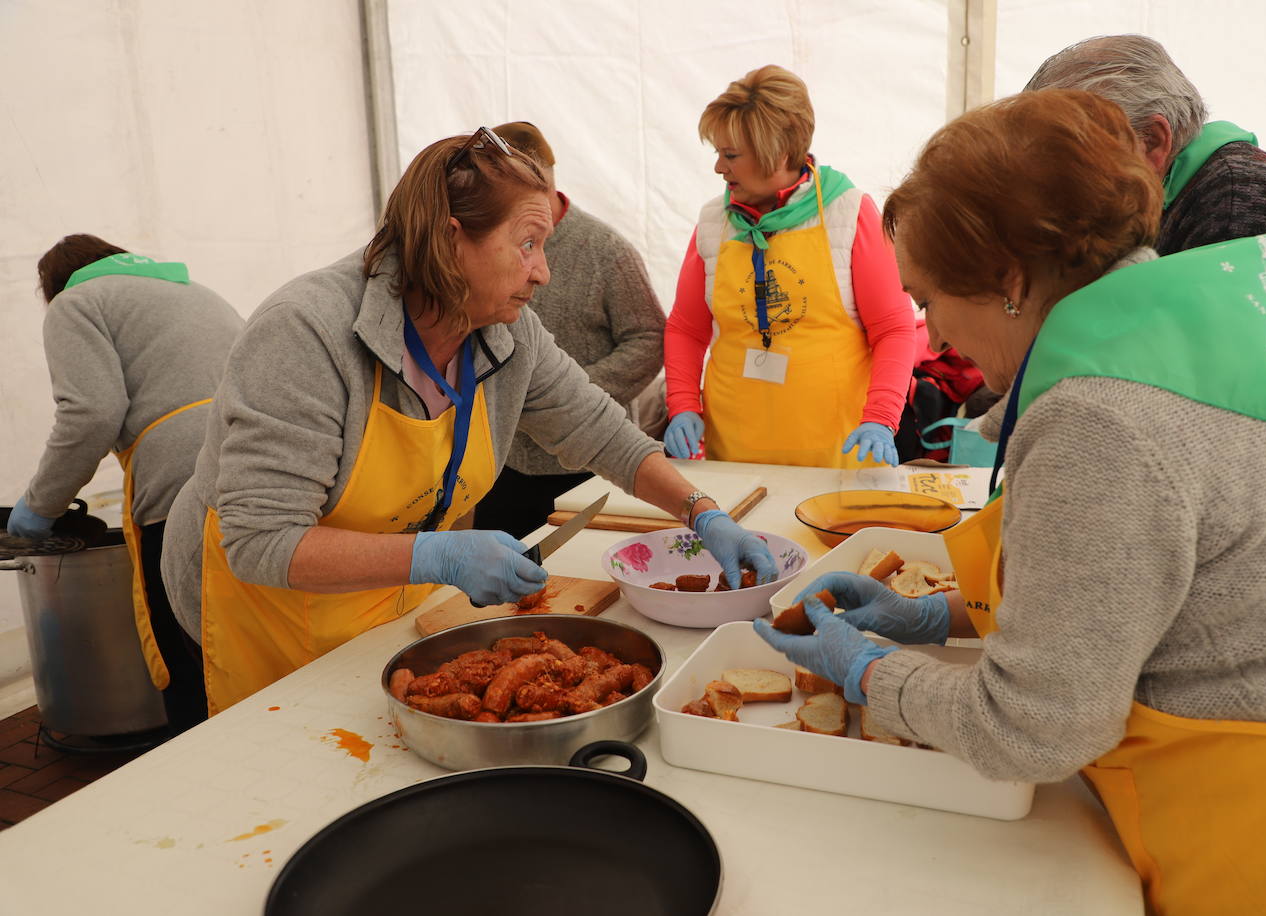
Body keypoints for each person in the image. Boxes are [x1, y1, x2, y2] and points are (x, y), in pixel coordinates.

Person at [754, 90, 1266, 913]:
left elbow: (1035, 728)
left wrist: (870, 671)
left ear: (1010, 278)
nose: (931, 339)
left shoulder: (1100, 420)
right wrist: (947, 616)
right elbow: (1145, 588)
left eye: (930, 298)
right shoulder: (1175, 336)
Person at [161, 129, 776, 715]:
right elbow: (262, 542)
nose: (544, 272)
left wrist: (702, 512)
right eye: (528, 244)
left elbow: (602, 432)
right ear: (453, 239)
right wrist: (438, 556)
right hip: (265, 608)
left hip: (379, 604)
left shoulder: (505, 332)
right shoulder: (304, 334)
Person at [1025, 34, 1266, 445]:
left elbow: (1223, 417)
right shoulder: (1182, 197)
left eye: (1066, 161)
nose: (1051, 188)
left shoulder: (1245, 211)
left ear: (1153, 141)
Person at [10, 234, 244, 733]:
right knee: (244, 641)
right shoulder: (197, 292)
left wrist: (38, 507)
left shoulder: (76, 303)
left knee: (189, 656)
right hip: (252, 469)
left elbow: (90, 414)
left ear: (53, 286)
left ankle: (206, 780)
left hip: (179, 488)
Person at [663, 64, 918, 469]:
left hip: (836, 455)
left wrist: (881, 419)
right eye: (718, 154)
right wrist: (682, 405)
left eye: (730, 155)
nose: (718, 168)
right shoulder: (714, 221)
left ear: (778, 153)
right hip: (734, 454)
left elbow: (894, 329)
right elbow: (686, 328)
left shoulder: (849, 212)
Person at [471, 121, 665, 539]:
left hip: (590, 466)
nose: (536, 271)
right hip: (503, 461)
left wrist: (570, 392)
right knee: (495, 596)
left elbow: (650, 338)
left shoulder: (605, 250)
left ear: (541, 177)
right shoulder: (479, 245)